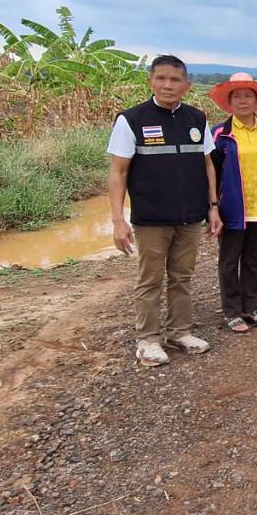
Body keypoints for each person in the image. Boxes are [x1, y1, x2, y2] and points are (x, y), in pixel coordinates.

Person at [107, 55, 223, 367]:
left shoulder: (197, 119)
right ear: (151, 82)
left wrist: (213, 207)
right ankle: (147, 339)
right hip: (151, 218)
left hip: (189, 216)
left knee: (182, 276)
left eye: (175, 80)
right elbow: (118, 172)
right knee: (150, 280)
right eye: (161, 78)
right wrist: (118, 221)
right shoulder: (131, 120)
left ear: (186, 85)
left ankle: (179, 332)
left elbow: (208, 164)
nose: (168, 85)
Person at [207, 73, 257, 334]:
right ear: (229, 102)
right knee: (229, 261)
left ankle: (251, 308)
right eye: (236, 96)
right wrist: (212, 207)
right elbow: (210, 173)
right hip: (231, 210)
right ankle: (231, 311)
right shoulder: (220, 133)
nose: (242, 100)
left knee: (253, 260)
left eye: (248, 95)